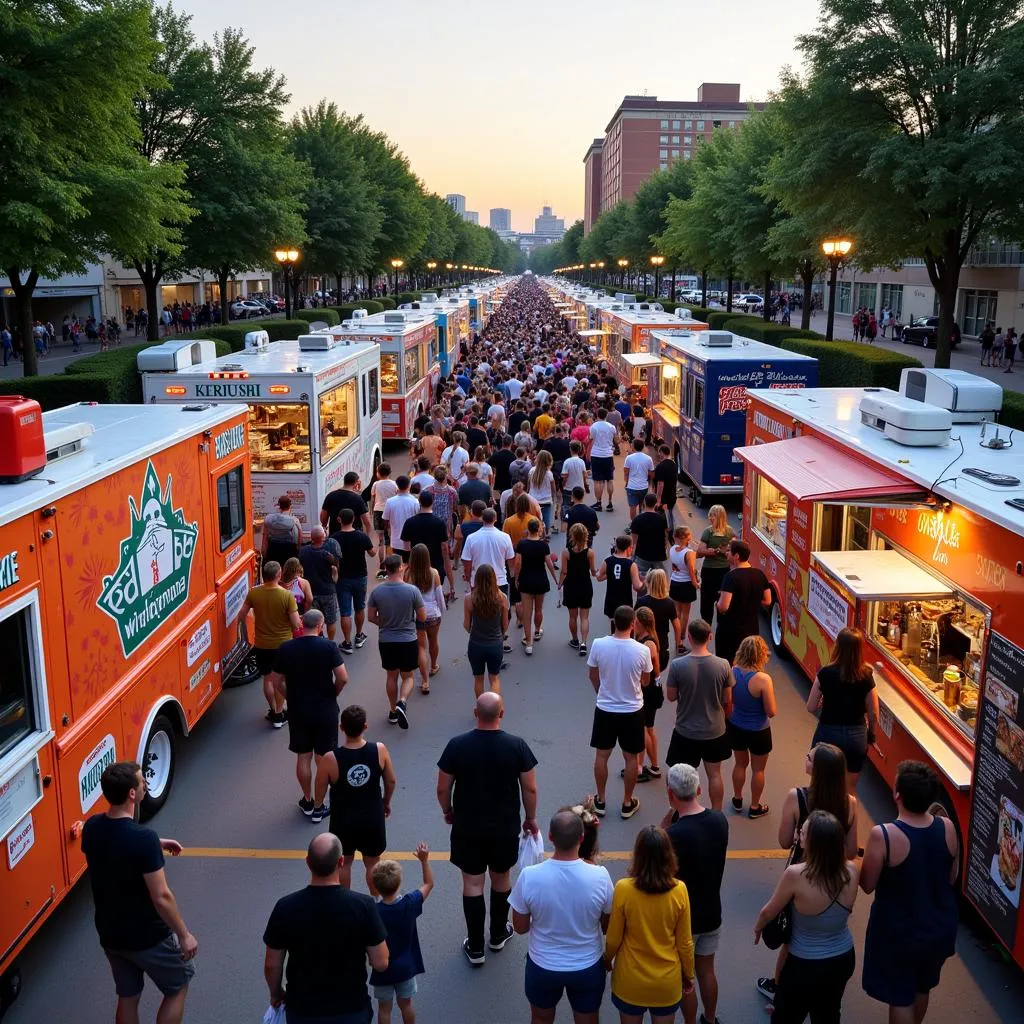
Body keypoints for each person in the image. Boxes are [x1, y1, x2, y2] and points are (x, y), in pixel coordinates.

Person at [82, 762, 197, 1024]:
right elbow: (162, 896)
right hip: (147, 937)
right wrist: (184, 935)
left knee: (128, 996)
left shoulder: (91, 828)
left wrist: (157, 843)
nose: (145, 783)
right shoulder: (142, 839)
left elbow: (114, 841)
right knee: (177, 987)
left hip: (111, 935)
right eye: (141, 781)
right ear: (132, 794)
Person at [436, 693, 539, 966]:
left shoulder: (456, 746)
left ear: (475, 713)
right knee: (501, 878)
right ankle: (497, 933)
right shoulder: (516, 746)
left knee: (472, 883)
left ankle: (475, 945)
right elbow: (530, 787)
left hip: (467, 827)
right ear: (502, 713)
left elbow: (443, 787)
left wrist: (448, 811)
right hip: (504, 828)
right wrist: (530, 818)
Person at [759, 743, 860, 1004]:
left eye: (810, 757)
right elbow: (850, 850)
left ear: (818, 770)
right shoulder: (850, 803)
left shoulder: (798, 797)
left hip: (803, 870)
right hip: (835, 875)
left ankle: (781, 986)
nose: (806, 758)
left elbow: (783, 841)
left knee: (791, 936)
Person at [860, 761, 959, 1024]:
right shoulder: (947, 827)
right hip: (939, 929)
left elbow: (867, 883)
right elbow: (951, 876)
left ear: (898, 795)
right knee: (921, 988)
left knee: (901, 996)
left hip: (900, 933)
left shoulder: (884, 835)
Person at [264, 833, 388, 1024]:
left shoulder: (285, 907)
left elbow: (271, 965)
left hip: (303, 1010)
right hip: (351, 1009)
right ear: (340, 862)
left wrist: (276, 993)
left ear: (307, 862)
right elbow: (380, 962)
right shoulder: (363, 906)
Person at [754, 810, 860, 1024]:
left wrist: (758, 927)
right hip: (843, 957)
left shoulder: (797, 874)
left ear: (813, 843)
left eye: (802, 833)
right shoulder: (851, 870)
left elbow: (769, 911)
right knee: (828, 1013)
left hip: (804, 964)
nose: (797, 836)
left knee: (787, 1016)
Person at [510, 809, 615, 1024]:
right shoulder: (601, 877)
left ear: (550, 837)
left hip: (542, 967)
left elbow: (519, 927)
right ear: (582, 838)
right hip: (587, 967)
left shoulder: (529, 877)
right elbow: (607, 925)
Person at [605, 826, 695, 1024]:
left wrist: (607, 959)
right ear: (668, 855)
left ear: (638, 855)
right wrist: (688, 974)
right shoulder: (680, 890)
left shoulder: (623, 888)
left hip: (630, 981)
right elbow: (685, 942)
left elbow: (613, 938)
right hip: (666, 982)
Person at [663, 764, 729, 1024]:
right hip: (713, 912)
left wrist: (672, 810)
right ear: (699, 789)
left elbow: (655, 838)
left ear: (671, 794)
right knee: (706, 971)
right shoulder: (719, 821)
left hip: (684, 920)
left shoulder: (673, 836)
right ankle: (710, 1019)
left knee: (685, 978)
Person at [269, 609, 348, 817]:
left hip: (298, 710)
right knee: (323, 758)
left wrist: (289, 697)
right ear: (321, 625)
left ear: (302, 623)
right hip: (325, 710)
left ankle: (307, 799)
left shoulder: (286, 648)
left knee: (303, 757)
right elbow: (342, 677)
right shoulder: (329, 647)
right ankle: (320, 806)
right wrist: (334, 693)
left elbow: (276, 681)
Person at [314, 704, 396, 896]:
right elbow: (391, 780)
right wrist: (386, 801)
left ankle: (345, 901)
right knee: (373, 863)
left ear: (341, 728)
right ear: (365, 727)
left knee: (344, 863)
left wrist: (318, 806)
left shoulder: (330, 758)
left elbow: (319, 787)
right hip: (372, 817)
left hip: (343, 820)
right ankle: (375, 901)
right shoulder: (379, 750)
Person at [587, 605, 653, 819]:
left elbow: (593, 676)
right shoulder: (642, 650)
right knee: (631, 758)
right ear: (633, 624)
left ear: (614, 622)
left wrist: (601, 692)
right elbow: (646, 680)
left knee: (601, 755)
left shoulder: (598, 645)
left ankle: (601, 800)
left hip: (605, 708)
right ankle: (627, 802)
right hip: (632, 710)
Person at [665, 619, 733, 811]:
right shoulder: (723, 665)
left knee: (683, 775)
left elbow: (670, 696)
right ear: (709, 637)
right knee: (715, 775)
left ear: (689, 637)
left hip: (686, 731)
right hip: (715, 730)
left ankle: (685, 811)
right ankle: (717, 813)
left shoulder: (678, 665)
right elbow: (728, 700)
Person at [806, 627, 880, 790]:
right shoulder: (866, 676)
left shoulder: (825, 673)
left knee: (819, 783)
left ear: (837, 646)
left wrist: (821, 704)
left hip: (828, 733)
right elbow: (874, 712)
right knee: (850, 787)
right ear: (860, 649)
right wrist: (871, 736)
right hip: (856, 737)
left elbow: (811, 706)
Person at [369, 844, 434, 1024]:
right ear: (399, 882)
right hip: (405, 967)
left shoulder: (373, 911)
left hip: (382, 969)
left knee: (384, 1008)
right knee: (406, 1004)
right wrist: (424, 861)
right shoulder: (409, 904)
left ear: (375, 885)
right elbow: (429, 884)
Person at [367, 554, 427, 730]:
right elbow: (422, 616)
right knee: (407, 676)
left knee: (391, 675)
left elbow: (371, 617)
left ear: (386, 569)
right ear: (401, 568)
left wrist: (384, 623)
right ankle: (402, 701)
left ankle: (393, 710)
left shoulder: (377, 591)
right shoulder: (412, 590)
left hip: (386, 639)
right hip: (408, 639)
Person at [240, 560, 301, 727]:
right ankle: (280, 714)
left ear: (264, 575)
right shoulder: (286, 596)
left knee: (267, 679)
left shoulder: (254, 593)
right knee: (280, 680)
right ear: (279, 575)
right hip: (283, 645)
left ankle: (273, 710)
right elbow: (296, 624)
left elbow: (242, 615)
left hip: (262, 644)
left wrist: (246, 636)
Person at [727, 634, 777, 818]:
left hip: (736, 726)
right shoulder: (763, 680)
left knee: (740, 764)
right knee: (758, 770)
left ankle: (737, 798)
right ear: (761, 655)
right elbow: (771, 711)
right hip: (759, 730)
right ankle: (755, 806)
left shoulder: (732, 671)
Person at [714, 539, 771, 665]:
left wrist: (717, 604)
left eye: (729, 551)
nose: (726, 553)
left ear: (737, 556)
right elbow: (767, 600)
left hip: (730, 631)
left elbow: (724, 607)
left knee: (727, 664)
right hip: (752, 628)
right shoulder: (760, 574)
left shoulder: (730, 577)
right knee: (748, 664)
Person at [464, 563, 510, 697]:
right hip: (495, 644)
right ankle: (493, 709)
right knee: (494, 678)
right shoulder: (501, 598)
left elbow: (467, 625)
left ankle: (481, 707)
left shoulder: (469, 598)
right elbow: (505, 625)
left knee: (478, 679)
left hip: (476, 644)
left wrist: (474, 631)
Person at [514, 517, 559, 655]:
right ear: (538, 529)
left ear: (528, 529)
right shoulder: (543, 545)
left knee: (527, 613)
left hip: (526, 580)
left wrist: (516, 578)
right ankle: (538, 630)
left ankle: (529, 643)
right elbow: (549, 564)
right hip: (540, 580)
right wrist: (555, 579)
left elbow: (518, 563)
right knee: (539, 609)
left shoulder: (522, 544)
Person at [405, 542, 446, 694]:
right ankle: (433, 665)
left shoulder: (408, 575)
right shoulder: (434, 573)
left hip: (417, 616)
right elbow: (439, 596)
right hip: (433, 614)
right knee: (434, 641)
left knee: (421, 647)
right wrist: (441, 611)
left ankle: (424, 681)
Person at [632, 606, 664, 783]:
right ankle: (653, 765)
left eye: (636, 621)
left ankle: (640, 765)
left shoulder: (648, 643)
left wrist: (655, 685)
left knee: (644, 728)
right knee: (649, 728)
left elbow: (655, 669)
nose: (633, 624)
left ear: (642, 623)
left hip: (648, 689)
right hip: (651, 688)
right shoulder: (645, 639)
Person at [559, 522, 597, 657]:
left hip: (571, 585)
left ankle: (574, 639)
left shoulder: (566, 552)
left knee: (572, 616)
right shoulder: (590, 553)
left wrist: (560, 584)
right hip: (585, 585)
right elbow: (593, 572)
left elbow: (564, 571)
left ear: (572, 536)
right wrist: (597, 572)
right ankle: (584, 642)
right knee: (584, 617)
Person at [299, 526, 341, 642]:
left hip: (310, 592)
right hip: (328, 591)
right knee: (331, 621)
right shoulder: (328, 555)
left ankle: (314, 642)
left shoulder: (304, 551)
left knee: (312, 622)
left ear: (311, 537)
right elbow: (335, 571)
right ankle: (330, 643)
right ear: (323, 537)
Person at [636, 569, 681, 672]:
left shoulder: (642, 602)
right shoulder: (669, 603)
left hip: (643, 645)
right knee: (657, 672)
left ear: (649, 582)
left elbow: (633, 622)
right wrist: (678, 644)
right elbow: (677, 626)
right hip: (661, 646)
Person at [696, 506, 735, 627]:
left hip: (710, 572)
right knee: (720, 602)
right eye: (709, 515)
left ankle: (707, 630)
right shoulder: (729, 531)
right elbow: (733, 552)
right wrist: (720, 552)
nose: (709, 518)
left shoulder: (709, 532)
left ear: (718, 517)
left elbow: (700, 551)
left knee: (707, 605)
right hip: (723, 572)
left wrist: (711, 552)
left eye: (712, 515)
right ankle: (717, 627)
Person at [597, 535, 643, 627]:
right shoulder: (631, 565)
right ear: (628, 548)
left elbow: (599, 577)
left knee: (614, 624)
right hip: (625, 600)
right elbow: (637, 586)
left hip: (611, 599)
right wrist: (644, 582)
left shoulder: (607, 561)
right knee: (625, 625)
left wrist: (610, 574)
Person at [668, 526, 699, 639]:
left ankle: (677, 633)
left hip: (675, 581)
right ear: (686, 537)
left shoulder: (672, 549)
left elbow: (674, 565)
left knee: (677, 611)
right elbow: (691, 570)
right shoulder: (689, 553)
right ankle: (681, 636)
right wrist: (695, 583)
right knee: (685, 613)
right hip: (686, 584)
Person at [370, 462, 399, 577]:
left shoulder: (376, 484)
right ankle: (389, 564)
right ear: (389, 473)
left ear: (378, 473)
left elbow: (372, 499)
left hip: (378, 511)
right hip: (390, 512)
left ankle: (381, 563)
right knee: (390, 539)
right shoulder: (394, 484)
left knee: (381, 540)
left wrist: (372, 511)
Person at [630, 493, 670, 578]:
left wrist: (633, 552)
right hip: (658, 555)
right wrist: (666, 547)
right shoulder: (662, 519)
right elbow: (666, 536)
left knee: (642, 579)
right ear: (656, 504)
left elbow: (634, 541)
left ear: (644, 503)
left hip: (642, 554)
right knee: (658, 580)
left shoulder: (637, 519)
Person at [322, 470, 373, 535]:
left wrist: (325, 528)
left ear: (344, 481)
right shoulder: (358, 499)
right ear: (356, 483)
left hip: (335, 536)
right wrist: (366, 538)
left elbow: (323, 518)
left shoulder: (330, 496)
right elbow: (367, 522)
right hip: (354, 536)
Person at [383, 476, 419, 564]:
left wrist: (389, 529)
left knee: (398, 567)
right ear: (409, 486)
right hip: (411, 541)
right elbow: (418, 518)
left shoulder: (390, 501)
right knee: (409, 566)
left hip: (395, 541)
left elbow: (385, 520)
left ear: (397, 485)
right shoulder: (415, 501)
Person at [589, 407, 618, 511]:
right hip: (608, 454)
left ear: (597, 415)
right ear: (606, 416)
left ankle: (598, 503)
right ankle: (610, 503)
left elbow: (591, 439)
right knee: (609, 479)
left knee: (598, 481)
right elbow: (615, 439)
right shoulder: (611, 427)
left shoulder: (593, 426)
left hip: (596, 454)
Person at [262, 495, 302, 566]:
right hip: (288, 551)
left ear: (279, 505)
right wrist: (298, 550)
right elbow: (299, 538)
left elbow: (265, 536)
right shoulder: (294, 521)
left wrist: (264, 552)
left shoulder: (268, 518)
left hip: (273, 549)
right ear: (290, 506)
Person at [623, 438, 654, 520]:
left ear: (633, 447)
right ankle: (642, 522)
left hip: (632, 487)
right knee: (642, 506)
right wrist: (650, 485)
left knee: (633, 507)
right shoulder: (648, 459)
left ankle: (634, 524)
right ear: (643, 447)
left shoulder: (629, 458)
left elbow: (626, 472)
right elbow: (651, 474)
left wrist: (626, 483)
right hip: (643, 486)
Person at [527, 450, 556, 537]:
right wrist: (553, 498)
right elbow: (553, 488)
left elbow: (528, 486)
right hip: (546, 500)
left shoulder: (532, 471)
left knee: (533, 519)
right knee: (546, 520)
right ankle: (545, 534)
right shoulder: (549, 473)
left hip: (533, 500)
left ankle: (534, 534)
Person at [653, 445, 679, 530]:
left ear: (661, 453)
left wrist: (658, 499)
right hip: (672, 495)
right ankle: (672, 530)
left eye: (659, 453)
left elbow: (660, 484)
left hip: (664, 497)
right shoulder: (674, 464)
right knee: (671, 513)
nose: (659, 455)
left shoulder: (660, 467)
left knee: (663, 516)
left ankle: (666, 532)